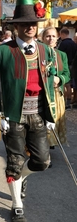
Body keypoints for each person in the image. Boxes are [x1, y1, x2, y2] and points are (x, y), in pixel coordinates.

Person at [0, 0, 69, 222]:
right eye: (25, 24)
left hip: (39, 115)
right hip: (13, 114)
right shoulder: (3, 51)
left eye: (33, 24)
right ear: (17, 26)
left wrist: (51, 112)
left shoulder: (46, 51)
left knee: (42, 161)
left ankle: (20, 177)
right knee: (14, 161)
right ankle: (17, 206)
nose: (30, 27)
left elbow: (49, 83)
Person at [41, 26, 70, 154]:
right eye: (48, 36)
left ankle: (49, 144)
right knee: (43, 122)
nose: (50, 38)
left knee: (54, 120)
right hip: (42, 95)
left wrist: (59, 79)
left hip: (57, 94)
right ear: (42, 38)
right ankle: (43, 150)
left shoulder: (62, 55)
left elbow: (67, 74)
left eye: (53, 36)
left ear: (58, 38)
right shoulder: (38, 54)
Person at [58, 27, 77, 109]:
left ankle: (66, 103)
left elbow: (59, 56)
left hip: (65, 65)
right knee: (70, 85)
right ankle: (69, 102)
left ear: (62, 34)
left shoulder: (63, 44)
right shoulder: (73, 43)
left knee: (66, 85)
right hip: (73, 66)